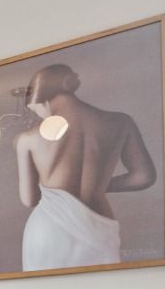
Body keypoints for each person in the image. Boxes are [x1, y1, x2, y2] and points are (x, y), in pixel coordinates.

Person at [15, 63, 157, 271]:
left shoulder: (28, 138)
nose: (38, 116)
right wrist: (100, 185)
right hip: (99, 223)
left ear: (40, 99)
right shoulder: (120, 122)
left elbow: (29, 199)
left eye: (35, 110)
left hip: (48, 229)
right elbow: (144, 176)